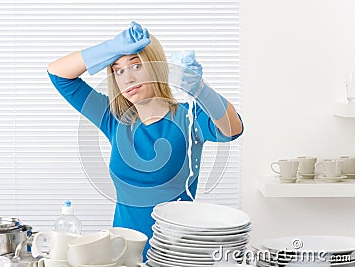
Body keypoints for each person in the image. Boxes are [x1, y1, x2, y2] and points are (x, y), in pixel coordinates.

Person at [47, 21, 243, 261]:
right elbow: (59, 74)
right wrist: (110, 48)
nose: (128, 78)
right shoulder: (115, 119)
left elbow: (233, 129)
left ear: (157, 67)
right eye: (118, 70)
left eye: (136, 65)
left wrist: (200, 89)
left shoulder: (189, 117)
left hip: (175, 256)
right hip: (121, 255)